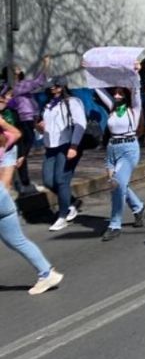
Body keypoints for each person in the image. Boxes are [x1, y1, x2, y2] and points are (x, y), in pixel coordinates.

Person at [1, 116, 65, 295]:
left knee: (17, 241)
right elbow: (15, 133)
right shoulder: (7, 144)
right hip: (3, 198)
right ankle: (47, 273)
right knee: (17, 240)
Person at [93, 81, 145, 241]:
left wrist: (135, 74)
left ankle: (114, 225)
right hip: (112, 149)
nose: (116, 96)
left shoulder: (134, 110)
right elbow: (98, 89)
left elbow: (136, 92)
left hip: (128, 149)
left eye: (120, 93)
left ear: (127, 95)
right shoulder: (112, 108)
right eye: (115, 93)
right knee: (117, 184)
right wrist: (90, 71)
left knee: (117, 184)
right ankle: (139, 208)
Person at [39, 77, 86, 231]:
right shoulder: (47, 105)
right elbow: (44, 128)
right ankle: (72, 202)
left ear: (62, 87)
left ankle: (62, 216)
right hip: (50, 146)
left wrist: (74, 146)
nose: (52, 89)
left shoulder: (72, 102)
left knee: (61, 180)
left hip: (67, 145)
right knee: (48, 181)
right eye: (50, 87)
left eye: (55, 87)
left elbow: (80, 124)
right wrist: (39, 128)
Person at [1, 57, 49, 194]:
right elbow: (39, 81)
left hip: (22, 119)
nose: (19, 70)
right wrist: (46, 64)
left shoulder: (16, 87)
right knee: (20, 151)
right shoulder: (18, 87)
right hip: (21, 120)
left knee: (19, 152)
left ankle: (22, 181)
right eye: (15, 69)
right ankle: (21, 182)